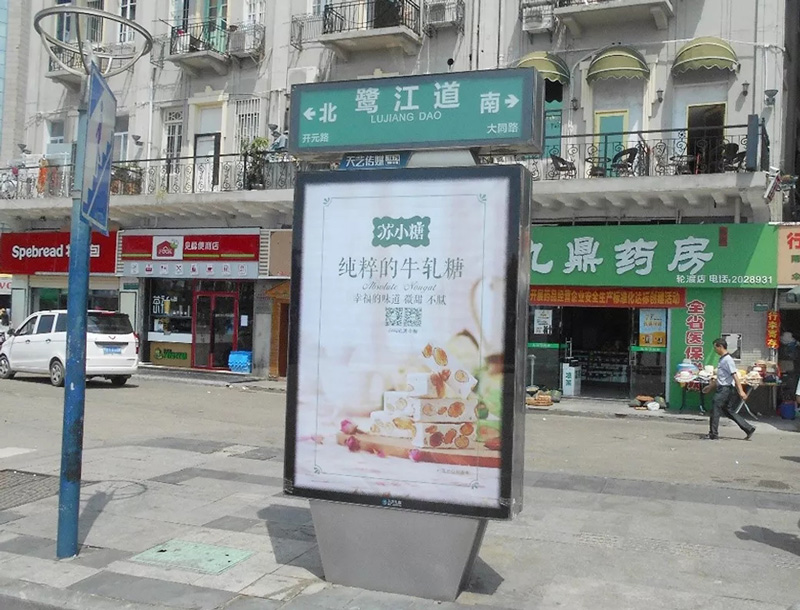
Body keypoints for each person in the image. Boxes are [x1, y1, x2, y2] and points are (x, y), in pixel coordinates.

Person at [704, 337, 755, 440]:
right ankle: (748, 428)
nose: (715, 350)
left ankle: (713, 433)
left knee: (715, 408)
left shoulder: (728, 360)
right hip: (723, 388)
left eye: (715, 348)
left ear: (720, 347)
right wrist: (710, 386)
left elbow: (735, 376)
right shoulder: (722, 359)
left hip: (725, 390)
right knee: (728, 410)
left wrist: (741, 391)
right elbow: (721, 377)